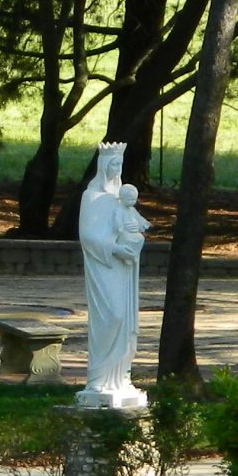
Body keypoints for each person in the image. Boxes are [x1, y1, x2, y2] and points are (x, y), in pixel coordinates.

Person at [77, 144, 150, 411]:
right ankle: (98, 379)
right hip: (103, 265)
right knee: (112, 316)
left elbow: (135, 224)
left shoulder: (120, 199)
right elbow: (89, 236)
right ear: (102, 167)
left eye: (119, 166)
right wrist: (117, 248)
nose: (116, 171)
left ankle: (120, 377)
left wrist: (132, 238)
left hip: (123, 268)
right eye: (112, 165)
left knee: (126, 321)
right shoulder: (92, 197)